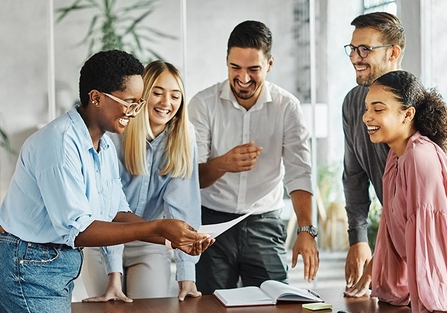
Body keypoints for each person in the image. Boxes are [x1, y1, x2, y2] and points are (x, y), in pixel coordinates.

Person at [0, 50, 212, 313]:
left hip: (54, 261)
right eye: (129, 102)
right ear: (96, 98)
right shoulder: (60, 143)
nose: (135, 112)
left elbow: (115, 213)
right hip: (29, 262)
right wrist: (157, 227)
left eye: (138, 103)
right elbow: (79, 230)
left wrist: (173, 238)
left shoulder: (103, 146)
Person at [188, 20, 319, 295]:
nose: (243, 78)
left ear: (270, 65)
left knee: (275, 301)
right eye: (235, 67)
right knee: (209, 305)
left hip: (264, 223)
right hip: (211, 223)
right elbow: (192, 179)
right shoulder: (202, 104)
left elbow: (299, 172)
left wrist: (306, 230)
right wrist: (224, 163)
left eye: (253, 69)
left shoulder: (288, 107)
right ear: (226, 61)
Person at [364, 70, 447, 312]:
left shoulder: (419, 156)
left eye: (378, 109)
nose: (367, 117)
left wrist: (431, 301)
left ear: (407, 114)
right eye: (367, 109)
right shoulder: (396, 156)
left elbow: (432, 237)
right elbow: (393, 227)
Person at [81, 60, 204, 302]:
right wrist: (113, 274)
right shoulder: (116, 134)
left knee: (151, 307)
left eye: (175, 96)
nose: (166, 103)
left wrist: (186, 275)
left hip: (150, 243)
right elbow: (109, 210)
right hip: (103, 242)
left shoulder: (184, 139)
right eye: (157, 93)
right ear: (140, 97)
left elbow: (183, 208)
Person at [341, 12, 405, 292]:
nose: (356, 57)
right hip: (394, 238)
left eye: (365, 49)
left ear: (393, 53)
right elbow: (353, 176)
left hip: (427, 243)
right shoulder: (353, 103)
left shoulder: (415, 107)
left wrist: (381, 255)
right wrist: (358, 237)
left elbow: (416, 205)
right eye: (353, 49)